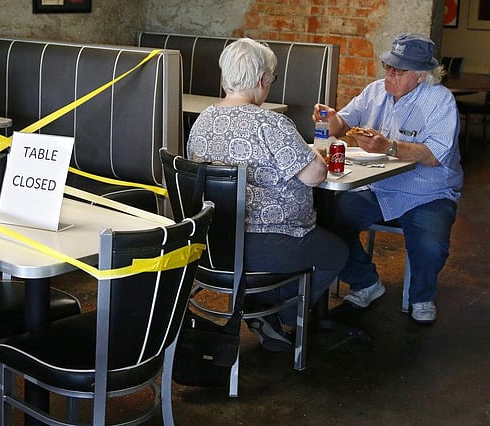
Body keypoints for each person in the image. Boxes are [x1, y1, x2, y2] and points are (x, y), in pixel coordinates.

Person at [187, 38, 348, 351]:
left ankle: (262, 307)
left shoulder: (202, 120)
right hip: (268, 246)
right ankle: (280, 312)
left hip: (212, 244)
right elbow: (315, 175)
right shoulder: (270, 123)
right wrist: (316, 156)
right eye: (271, 79)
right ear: (262, 79)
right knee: (336, 253)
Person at [312, 33, 464, 324]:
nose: (390, 75)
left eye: (399, 70)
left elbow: (434, 155)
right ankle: (366, 282)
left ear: (421, 76)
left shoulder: (440, 101)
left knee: (430, 246)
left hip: (427, 192)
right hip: (379, 187)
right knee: (327, 220)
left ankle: (421, 296)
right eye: (388, 67)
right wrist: (329, 119)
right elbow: (342, 123)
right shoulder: (375, 92)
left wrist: (388, 147)